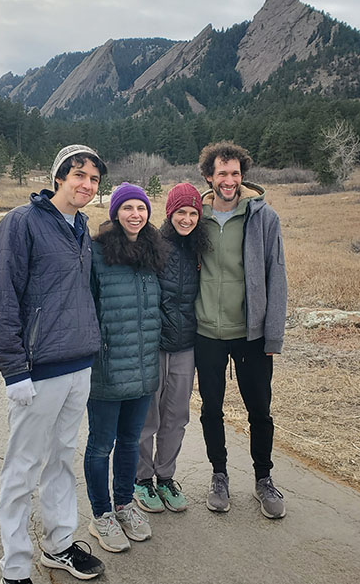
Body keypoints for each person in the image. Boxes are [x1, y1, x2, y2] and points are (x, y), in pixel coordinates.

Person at [0, 144, 107, 584]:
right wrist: (14, 371)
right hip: (38, 372)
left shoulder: (80, 228)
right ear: (58, 177)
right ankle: (15, 569)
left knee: (60, 461)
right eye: (78, 175)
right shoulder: (22, 223)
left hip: (78, 367)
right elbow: (0, 302)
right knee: (22, 470)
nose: (86, 184)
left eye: (93, 179)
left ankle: (58, 546)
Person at [193, 141, 288, 519]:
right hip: (205, 332)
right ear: (209, 177)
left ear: (242, 176)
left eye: (235, 174)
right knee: (210, 409)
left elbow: (276, 276)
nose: (229, 180)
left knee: (260, 411)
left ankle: (264, 479)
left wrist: (272, 335)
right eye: (222, 174)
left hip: (251, 333)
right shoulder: (193, 217)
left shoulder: (264, 218)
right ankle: (219, 475)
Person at [84, 182, 168, 552]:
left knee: (131, 442)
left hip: (144, 366)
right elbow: (85, 308)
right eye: (128, 207)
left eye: (142, 207)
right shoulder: (98, 253)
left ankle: (123, 505)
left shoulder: (153, 252)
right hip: (106, 368)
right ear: (115, 212)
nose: (136, 214)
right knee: (102, 445)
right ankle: (100, 515)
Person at [134, 183, 210, 513]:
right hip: (153, 345)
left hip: (186, 346)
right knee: (147, 416)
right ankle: (141, 480)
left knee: (176, 416)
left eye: (193, 213)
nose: (187, 218)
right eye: (181, 212)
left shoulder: (201, 248)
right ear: (170, 213)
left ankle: (165, 477)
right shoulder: (153, 244)